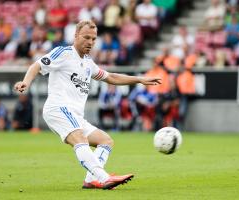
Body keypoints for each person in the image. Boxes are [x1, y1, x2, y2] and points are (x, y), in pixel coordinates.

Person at [14, 20, 161, 190]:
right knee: (80, 139)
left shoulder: (88, 62)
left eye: (93, 39)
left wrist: (139, 79)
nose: (90, 42)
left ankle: (91, 179)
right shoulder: (63, 53)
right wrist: (25, 82)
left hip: (75, 115)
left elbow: (110, 77)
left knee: (105, 141)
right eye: (86, 37)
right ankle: (104, 178)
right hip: (58, 108)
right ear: (76, 35)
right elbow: (36, 65)